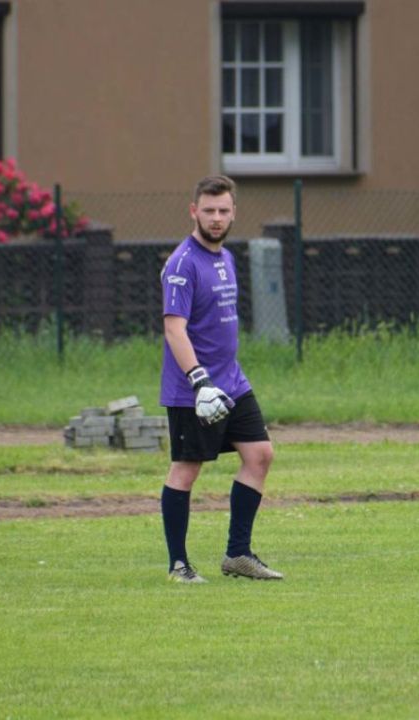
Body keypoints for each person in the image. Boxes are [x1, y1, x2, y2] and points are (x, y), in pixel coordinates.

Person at [159, 175, 283, 583]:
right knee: (186, 469)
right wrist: (199, 381)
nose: (216, 218)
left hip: (232, 382)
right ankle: (179, 565)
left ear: (234, 213)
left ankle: (238, 555)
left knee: (260, 455)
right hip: (194, 389)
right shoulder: (182, 264)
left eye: (223, 211)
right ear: (193, 211)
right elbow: (174, 329)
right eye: (209, 210)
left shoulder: (225, 257)